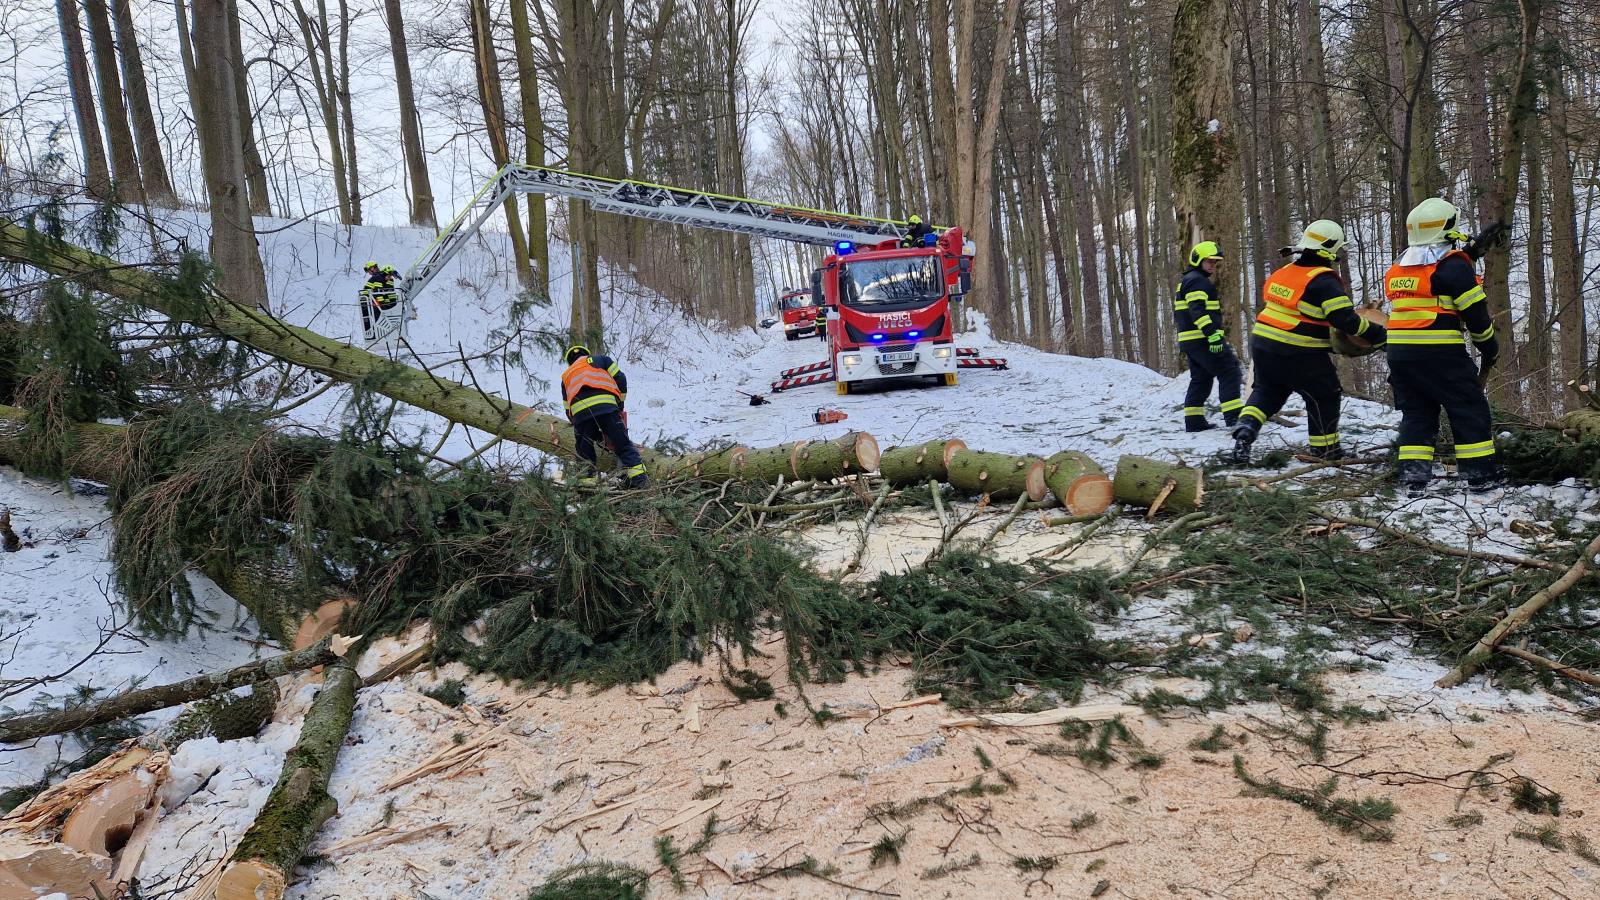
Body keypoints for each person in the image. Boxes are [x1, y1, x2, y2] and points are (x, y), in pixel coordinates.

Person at [1231, 220, 1386, 462]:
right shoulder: (1324, 280)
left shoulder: (1286, 271)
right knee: (1325, 395)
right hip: (1299, 351)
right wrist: (1379, 334)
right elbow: (1346, 320)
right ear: (1331, 249)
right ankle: (1326, 450)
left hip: (1263, 344)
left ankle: (1245, 430)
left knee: (1267, 391)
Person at [1383, 197, 1501, 494]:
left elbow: (1435, 273)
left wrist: (1469, 254)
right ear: (1449, 229)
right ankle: (1480, 475)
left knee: (1418, 412)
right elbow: (1476, 316)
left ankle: (1413, 477)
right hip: (1439, 353)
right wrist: (1490, 347)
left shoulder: (1399, 266)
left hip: (1399, 354)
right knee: (1468, 407)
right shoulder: (1454, 267)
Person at [1173, 240, 1243, 432]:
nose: (1213, 265)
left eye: (1215, 262)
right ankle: (1234, 418)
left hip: (1191, 340)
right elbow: (1197, 311)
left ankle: (1194, 421)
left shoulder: (1188, 279)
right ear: (1198, 260)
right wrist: (1212, 335)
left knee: (1201, 378)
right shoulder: (1197, 281)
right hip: (1202, 338)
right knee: (1230, 370)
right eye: (1209, 261)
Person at [561, 344, 649, 488]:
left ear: (570, 361)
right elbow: (620, 378)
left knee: (584, 450)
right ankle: (639, 478)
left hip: (581, 413)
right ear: (587, 353)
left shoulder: (566, 375)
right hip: (607, 407)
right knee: (622, 443)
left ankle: (587, 484)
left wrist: (582, 426)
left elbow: (567, 408)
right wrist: (619, 404)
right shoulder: (602, 360)